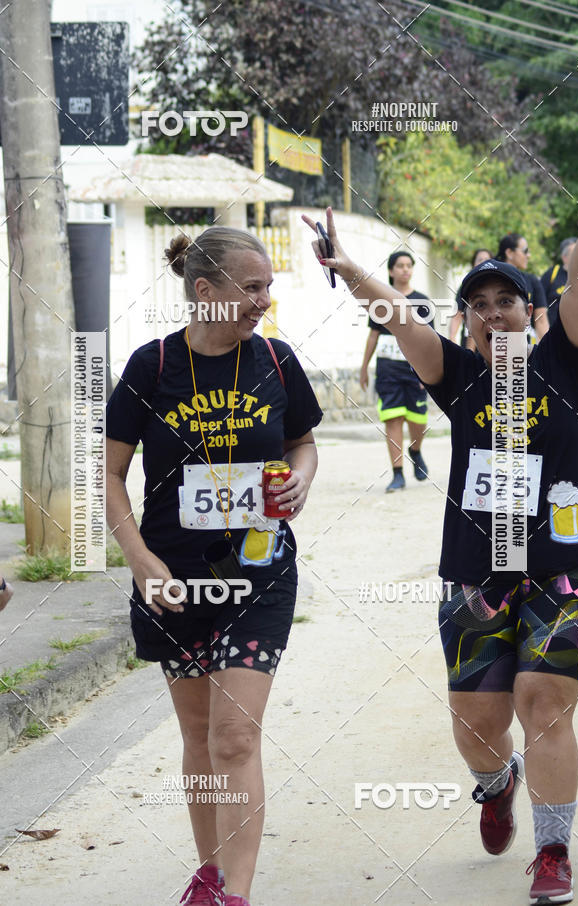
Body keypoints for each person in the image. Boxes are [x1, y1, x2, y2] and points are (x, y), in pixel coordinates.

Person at [304, 202, 578, 905]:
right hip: (477, 569)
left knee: (543, 700)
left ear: (532, 313)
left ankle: (552, 850)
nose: (493, 314)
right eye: (479, 306)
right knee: (478, 720)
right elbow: (397, 317)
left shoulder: (564, 356)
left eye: (506, 302)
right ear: (466, 322)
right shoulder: (459, 375)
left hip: (566, 565)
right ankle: (497, 784)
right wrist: (348, 268)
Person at [106, 227, 322, 906]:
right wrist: (140, 560)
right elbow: (108, 475)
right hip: (175, 580)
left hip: (260, 575)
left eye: (268, 287)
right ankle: (210, 869)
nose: (265, 300)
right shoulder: (152, 366)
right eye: (252, 287)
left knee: (233, 736)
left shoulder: (276, 361)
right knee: (200, 737)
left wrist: (302, 478)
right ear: (206, 290)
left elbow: (303, 443)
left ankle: (236, 892)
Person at [359, 250, 429, 491]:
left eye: (409, 265)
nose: (405, 269)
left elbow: (429, 339)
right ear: (391, 270)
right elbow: (373, 336)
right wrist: (364, 368)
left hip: (414, 370)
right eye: (400, 265)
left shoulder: (422, 301)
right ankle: (397, 473)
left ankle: (415, 450)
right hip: (388, 370)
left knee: (418, 420)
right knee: (393, 419)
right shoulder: (381, 300)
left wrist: (426, 371)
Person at [497, 233, 550, 340]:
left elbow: (541, 320)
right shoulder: (491, 279)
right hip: (494, 342)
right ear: (509, 253)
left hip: (522, 345)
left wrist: (546, 348)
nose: (528, 255)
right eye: (525, 251)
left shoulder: (532, 281)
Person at [541, 237, 578, 326]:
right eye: (576, 253)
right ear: (564, 257)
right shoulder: (551, 274)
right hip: (555, 329)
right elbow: (539, 306)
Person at [450, 248, 492, 351]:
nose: (483, 262)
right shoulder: (466, 286)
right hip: (469, 343)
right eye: (480, 260)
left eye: (487, 260)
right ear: (473, 264)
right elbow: (457, 314)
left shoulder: (498, 287)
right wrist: (452, 337)